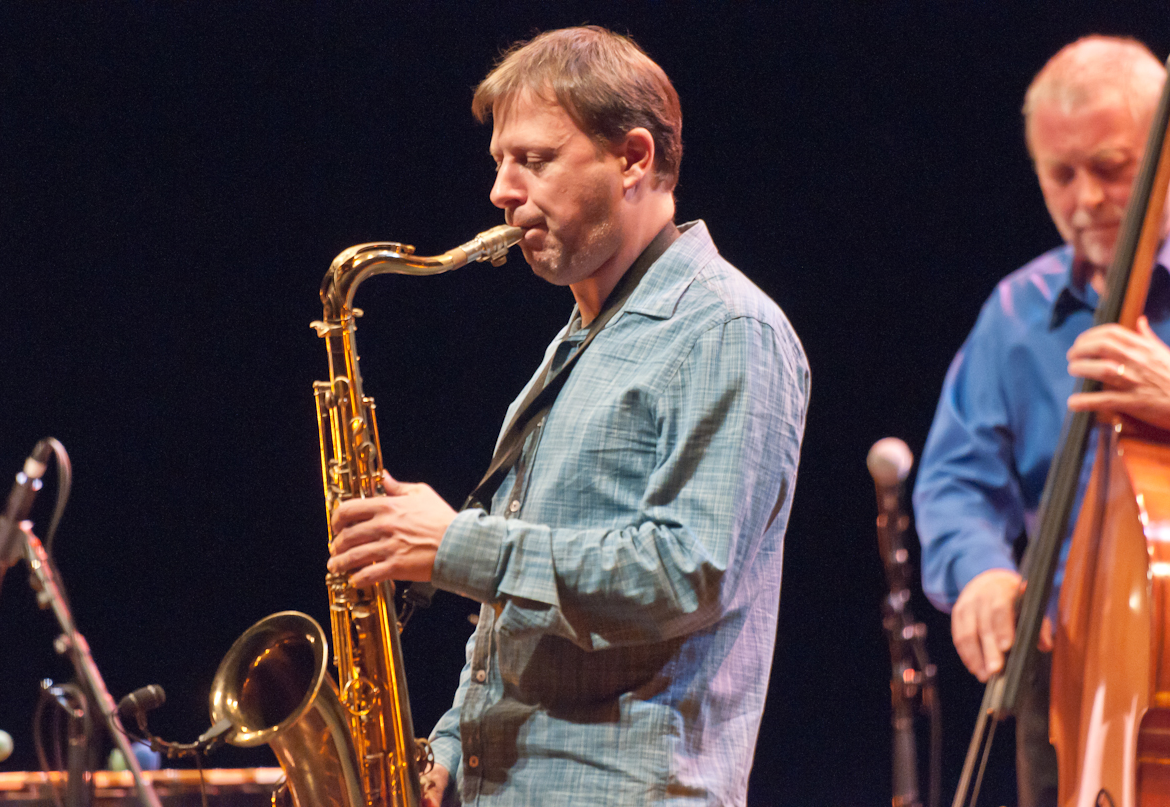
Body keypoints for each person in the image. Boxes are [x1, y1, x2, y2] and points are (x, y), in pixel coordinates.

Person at [326, 26, 810, 807]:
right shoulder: (578, 342)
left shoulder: (725, 328)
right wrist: (448, 745)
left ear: (633, 158)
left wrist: (456, 543)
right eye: (498, 163)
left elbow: (688, 573)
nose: (501, 191)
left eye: (535, 160)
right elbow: (513, 627)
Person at [914, 35, 1170, 807]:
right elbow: (955, 481)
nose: (1084, 198)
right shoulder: (1015, 312)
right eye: (1060, 175)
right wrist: (982, 571)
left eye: (1111, 167)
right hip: (1073, 692)